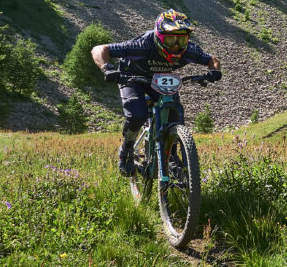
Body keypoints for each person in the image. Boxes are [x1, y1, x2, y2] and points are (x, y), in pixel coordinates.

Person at [90, 9, 221, 175]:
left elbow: (212, 59)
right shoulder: (143, 45)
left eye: (182, 40)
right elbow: (99, 49)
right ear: (159, 36)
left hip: (161, 80)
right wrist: (106, 68)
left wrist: (214, 71)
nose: (176, 45)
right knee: (137, 115)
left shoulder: (188, 50)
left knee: (175, 116)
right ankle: (127, 149)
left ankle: (171, 155)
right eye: (171, 38)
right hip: (132, 78)